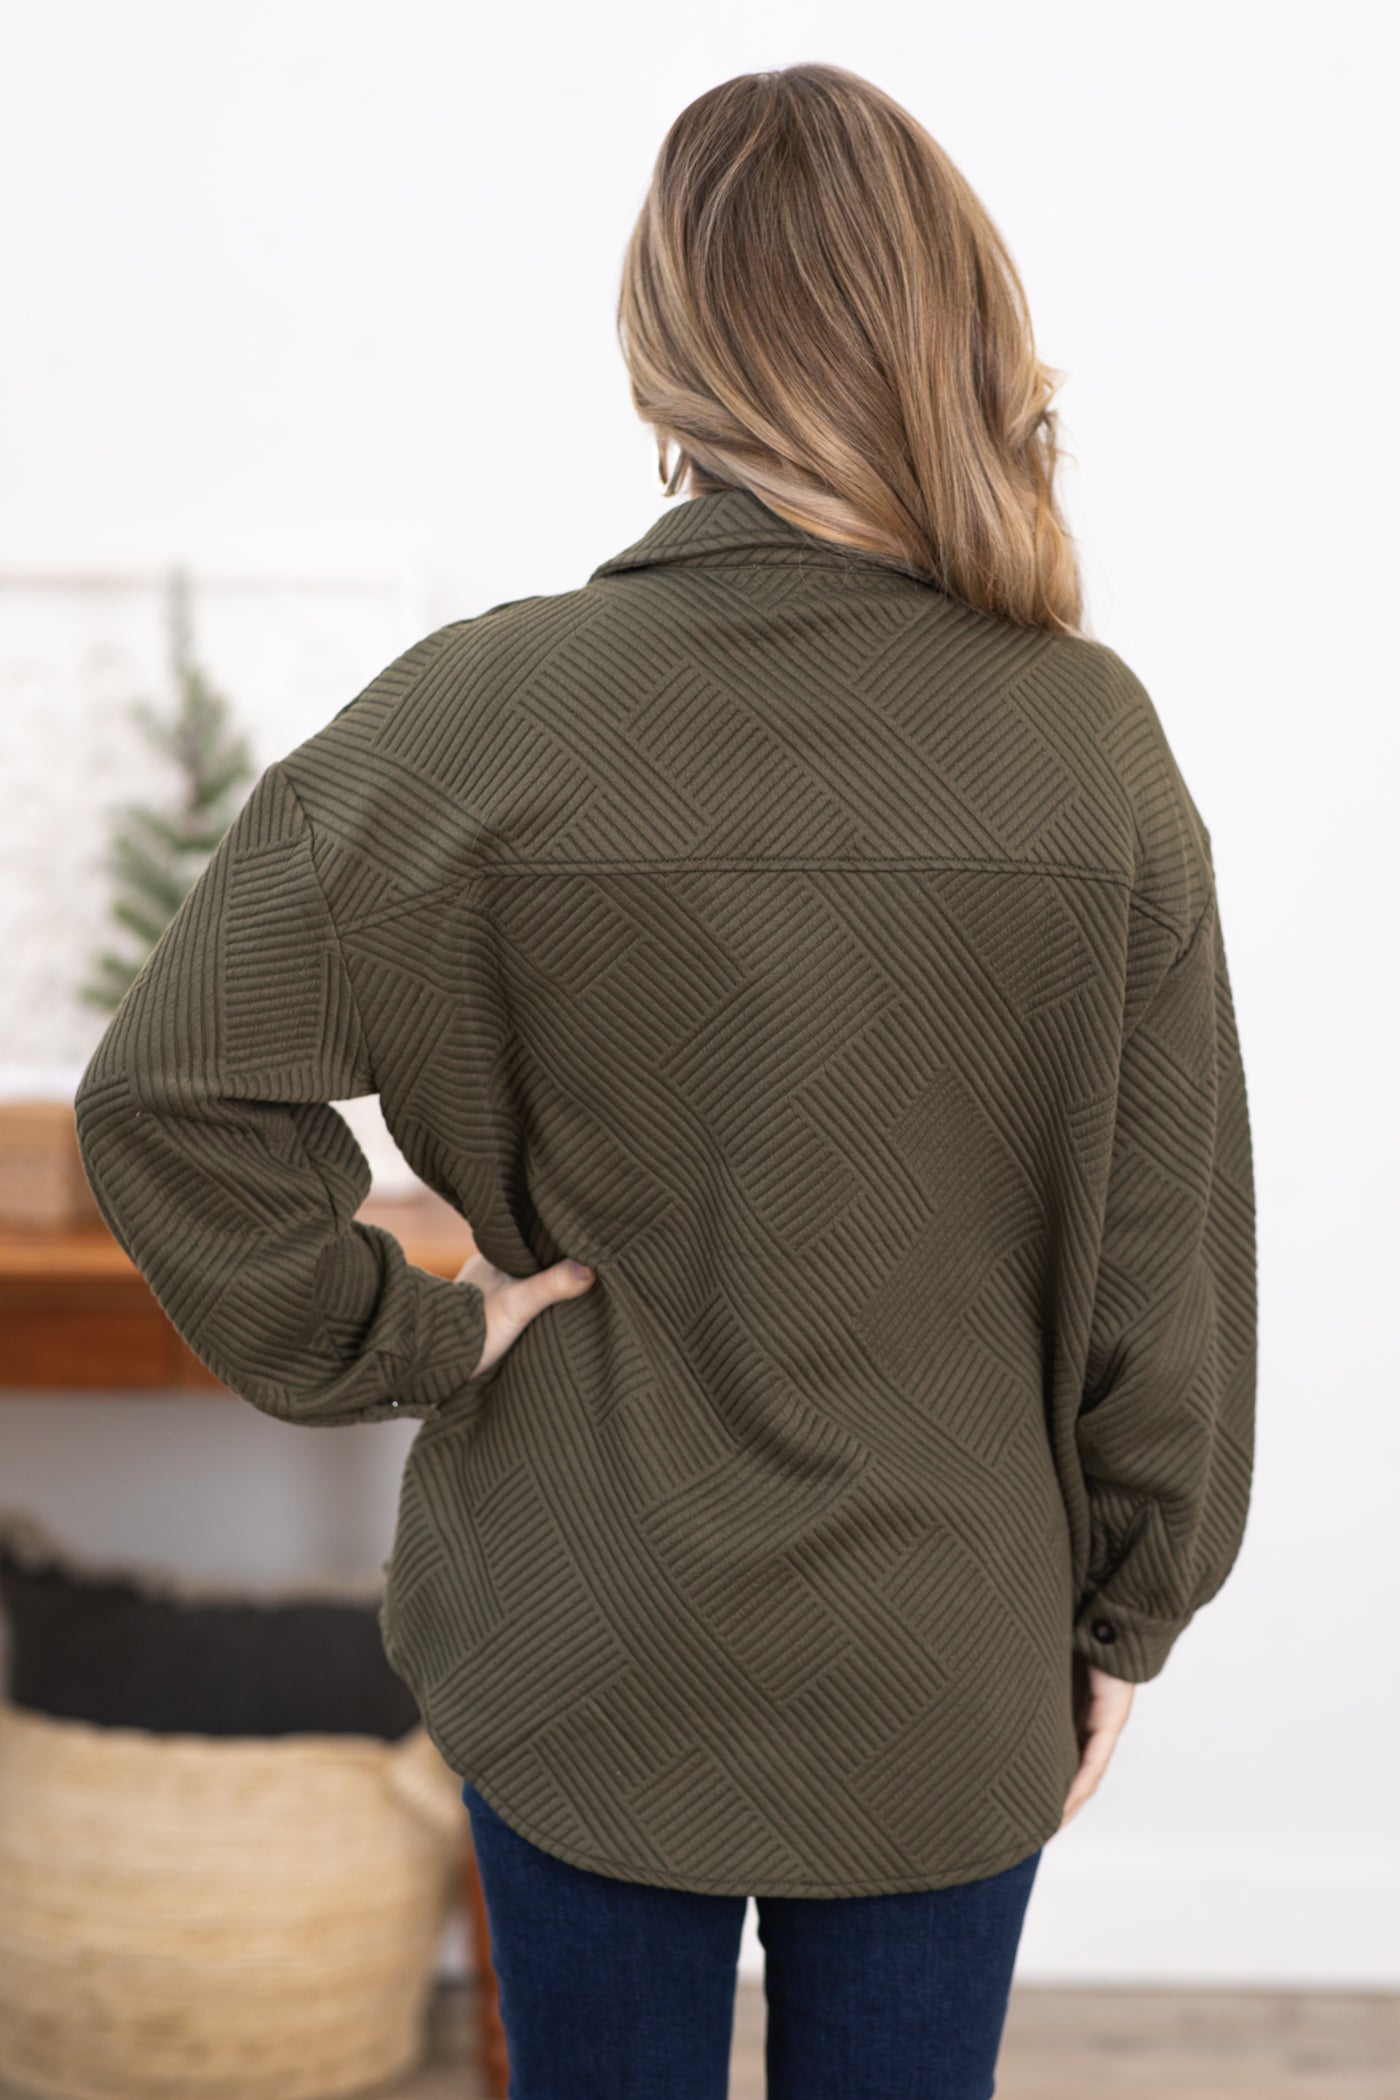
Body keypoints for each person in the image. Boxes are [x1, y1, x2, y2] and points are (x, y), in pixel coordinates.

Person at [74, 61, 1257, 2100]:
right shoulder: (1089, 748)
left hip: (579, 1629)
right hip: (940, 1643)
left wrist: (419, 1336)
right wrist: (1126, 1608)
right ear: (951, 324)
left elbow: (166, 1097)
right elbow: (1168, 1270)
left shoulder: (479, 717)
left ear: (667, 352)